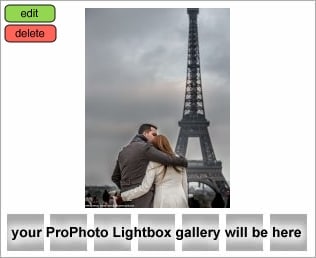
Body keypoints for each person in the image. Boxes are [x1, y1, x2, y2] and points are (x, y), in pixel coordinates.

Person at [112, 124, 187, 208]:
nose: (155, 138)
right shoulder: (146, 148)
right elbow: (167, 159)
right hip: (145, 198)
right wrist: (183, 161)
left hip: (128, 195)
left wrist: (125, 189)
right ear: (145, 133)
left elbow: (115, 177)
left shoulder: (123, 151)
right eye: (154, 134)